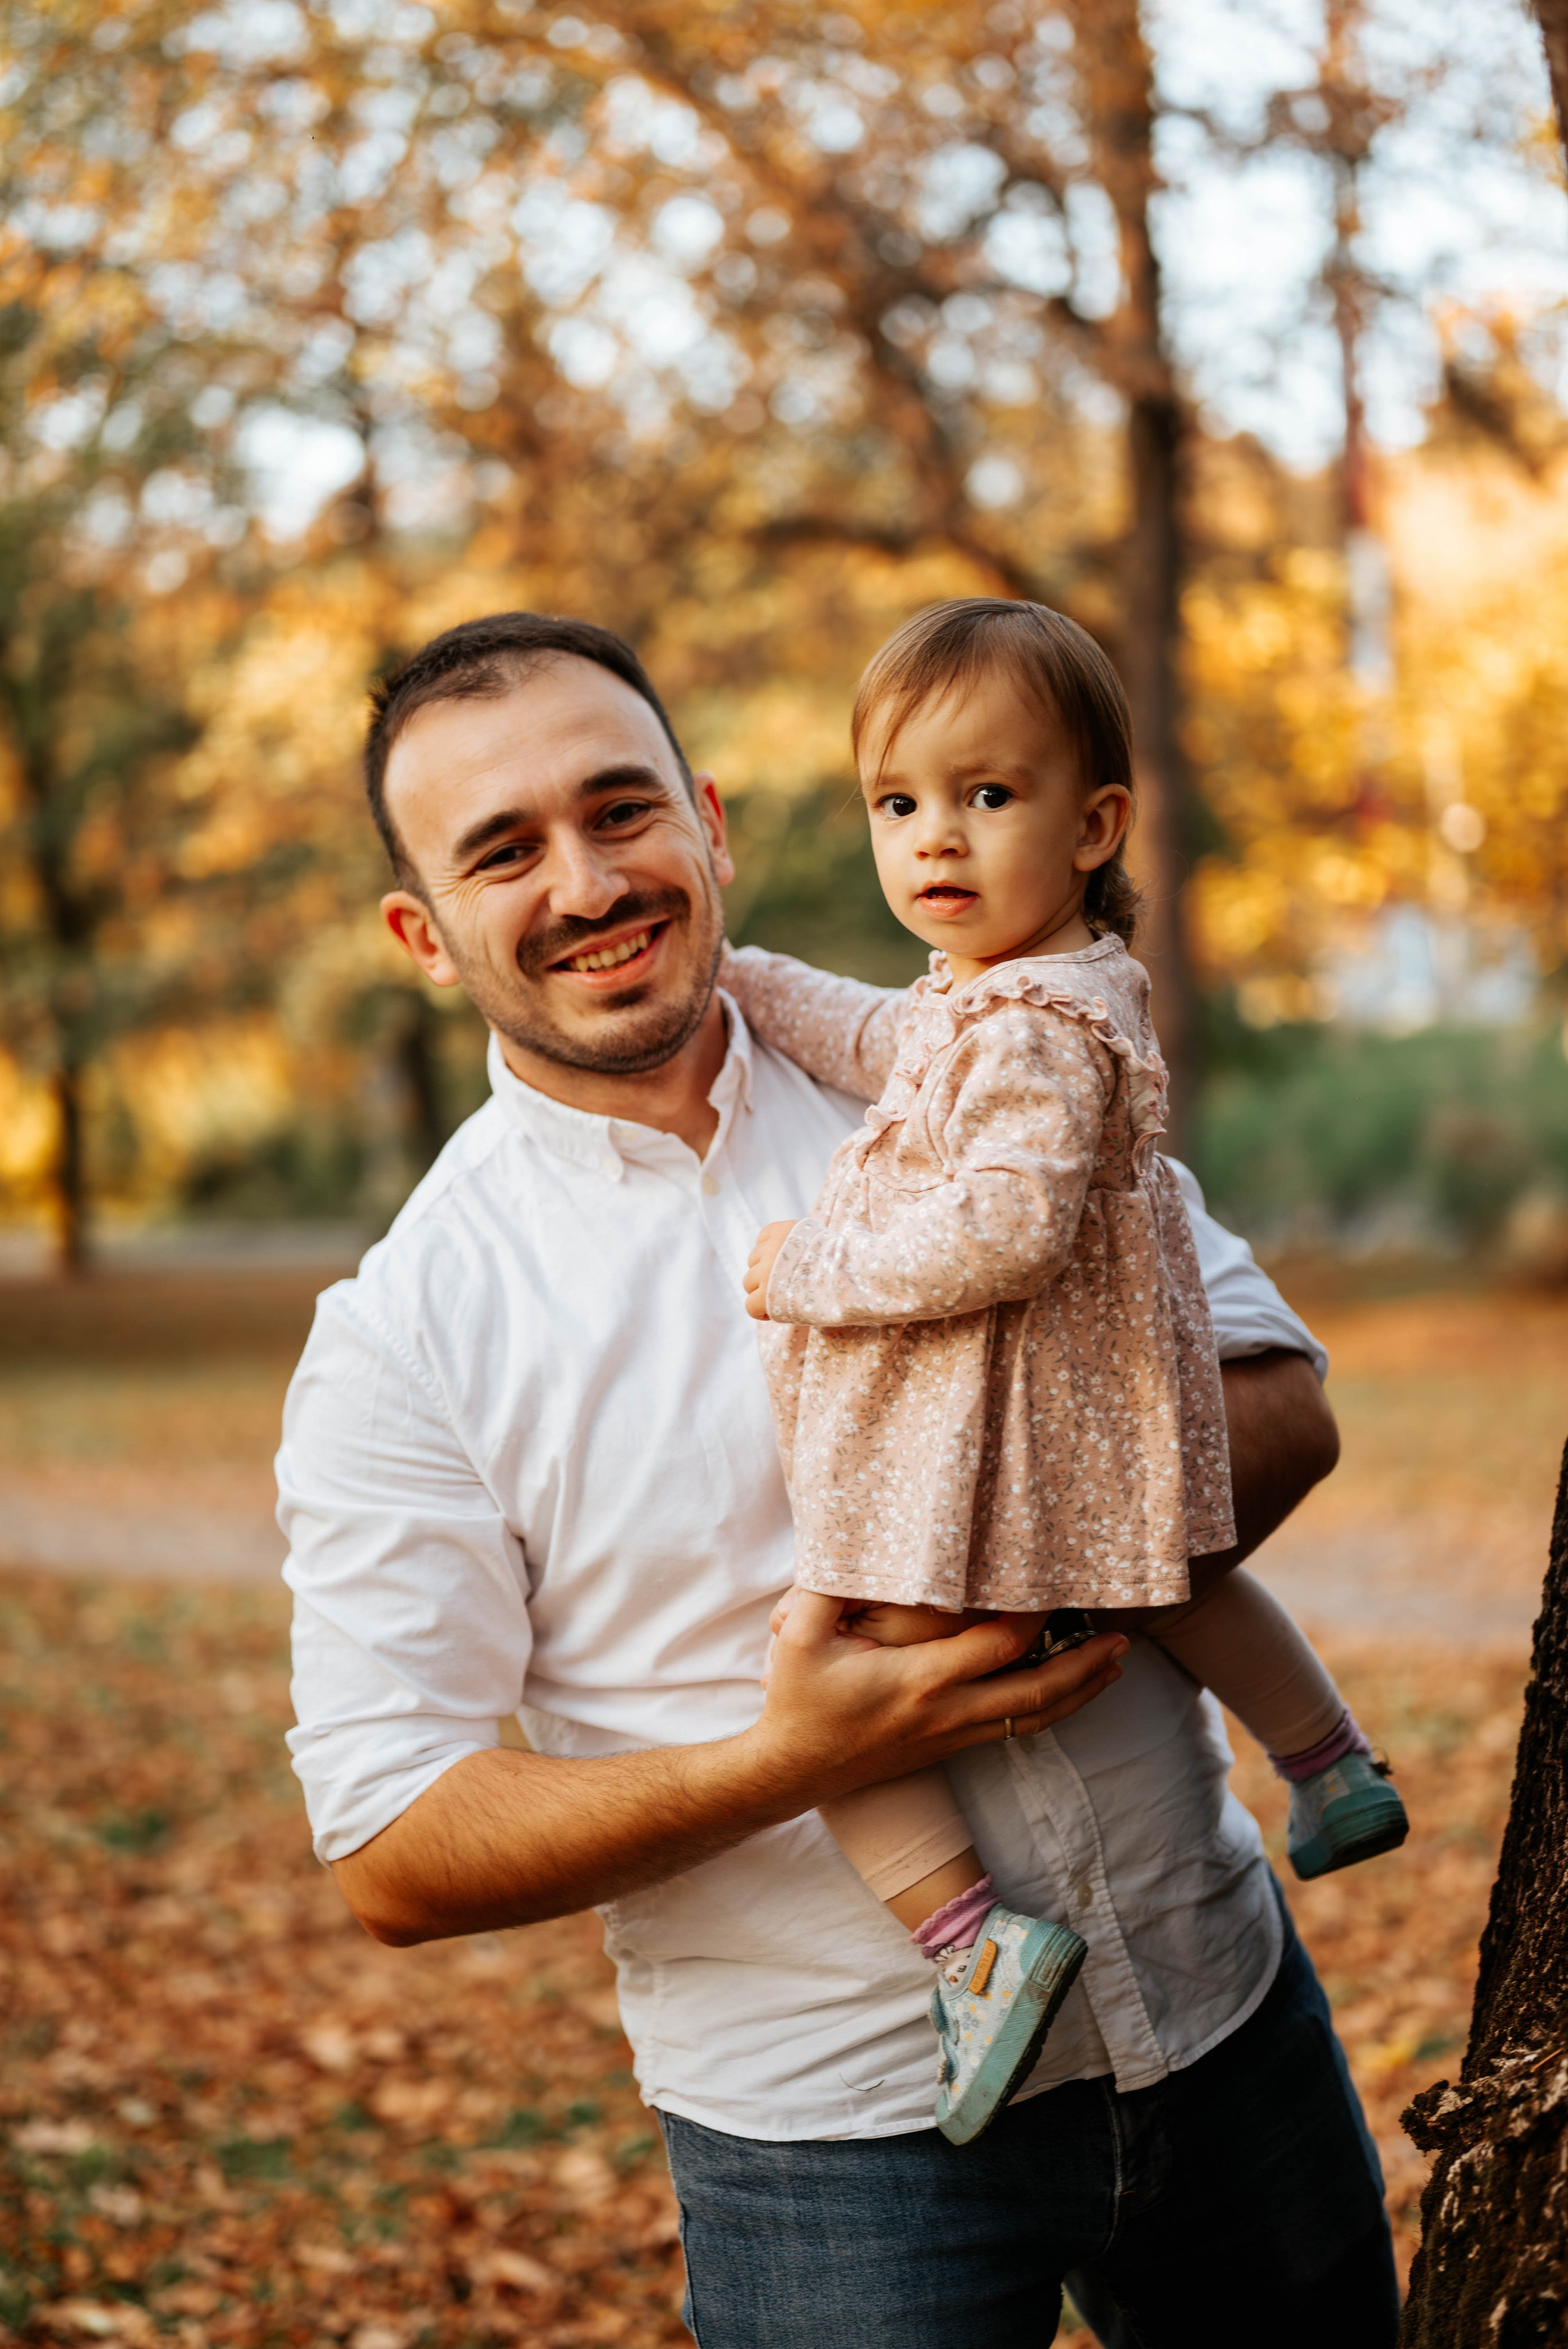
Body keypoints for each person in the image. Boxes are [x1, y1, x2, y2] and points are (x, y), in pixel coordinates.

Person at [279, 609, 1400, 2348]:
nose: (586, 881)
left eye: (619, 807)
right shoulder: (409, 1328)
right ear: (426, 933)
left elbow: (1283, 1403)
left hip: (1221, 2010)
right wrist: (797, 1758)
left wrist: (1006, 1567)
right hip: (840, 2146)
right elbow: (395, 1841)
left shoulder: (969, 1046)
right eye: (506, 851)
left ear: (710, 821)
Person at [723, 600, 1408, 2144]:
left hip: (1028, 1417)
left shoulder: (1028, 1029)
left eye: (985, 795)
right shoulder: (1026, 991)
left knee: (829, 1673)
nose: (932, 841)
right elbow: (879, 1033)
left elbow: (1004, 1230)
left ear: (1095, 823)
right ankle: (1326, 1759)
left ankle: (971, 1945)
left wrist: (805, 1273)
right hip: (1105, 1416)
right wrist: (754, 982)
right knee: (1170, 1571)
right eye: (897, 805)